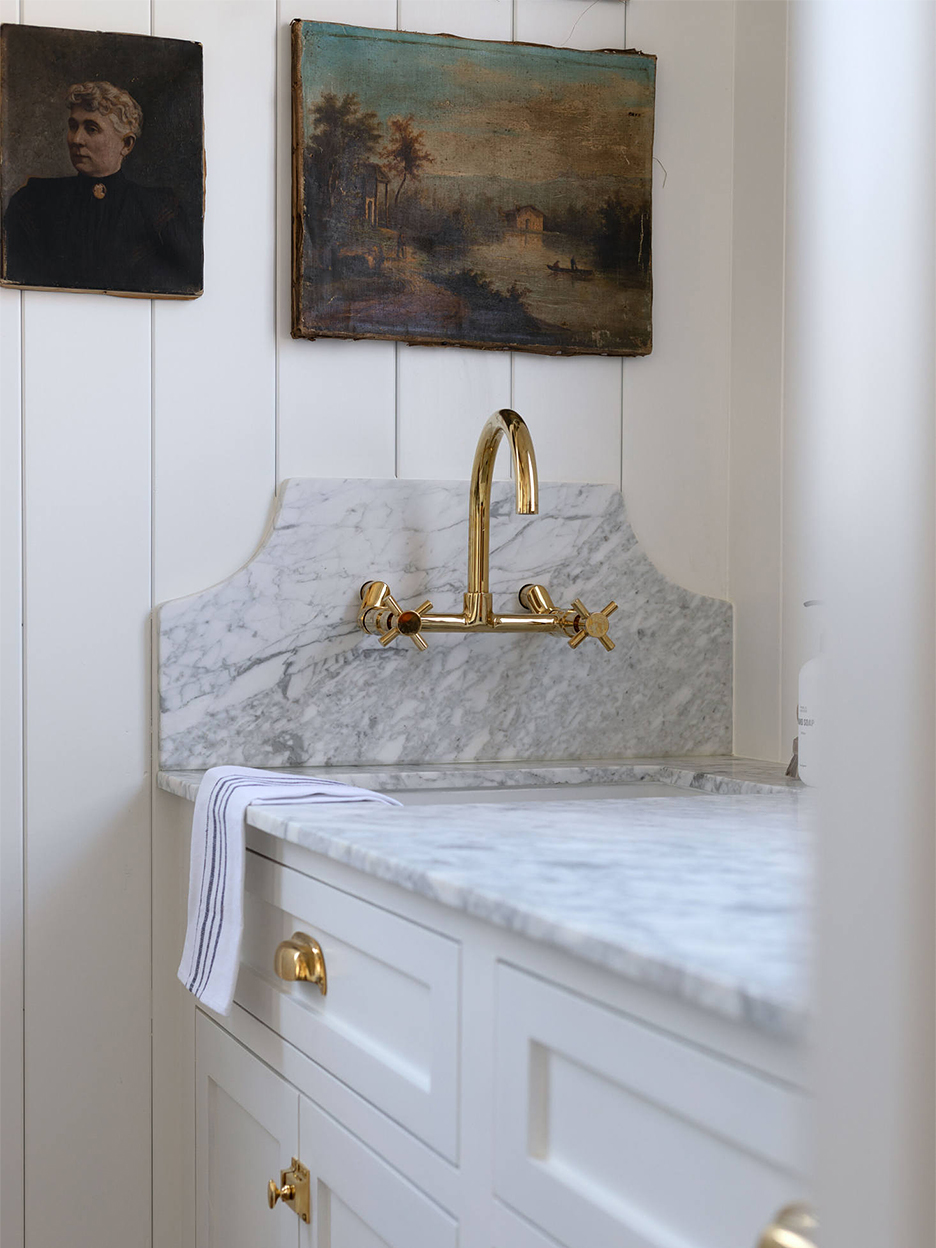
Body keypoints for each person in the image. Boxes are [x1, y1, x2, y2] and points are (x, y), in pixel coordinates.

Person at [1, 80, 201, 295]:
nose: (76, 139)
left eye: (91, 129)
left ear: (127, 144)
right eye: (73, 126)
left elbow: (186, 283)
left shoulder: (158, 210)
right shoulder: (33, 201)